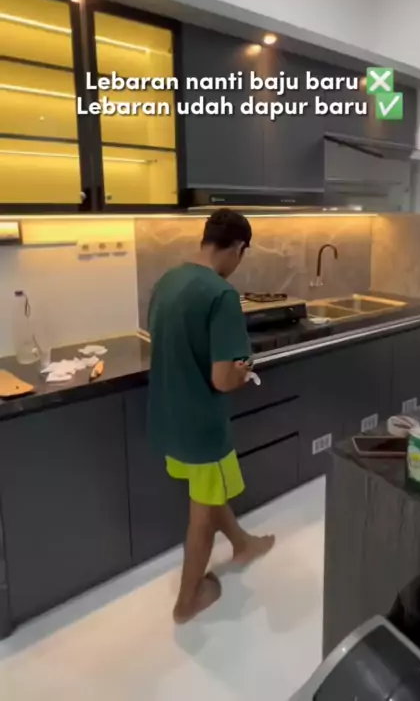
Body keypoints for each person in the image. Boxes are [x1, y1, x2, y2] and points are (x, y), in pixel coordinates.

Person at [148, 208, 275, 623]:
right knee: (201, 514)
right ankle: (188, 601)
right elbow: (223, 378)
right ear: (237, 247)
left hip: (169, 415)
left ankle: (242, 544)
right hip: (202, 425)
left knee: (208, 493)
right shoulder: (221, 295)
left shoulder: (168, 281)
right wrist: (244, 369)